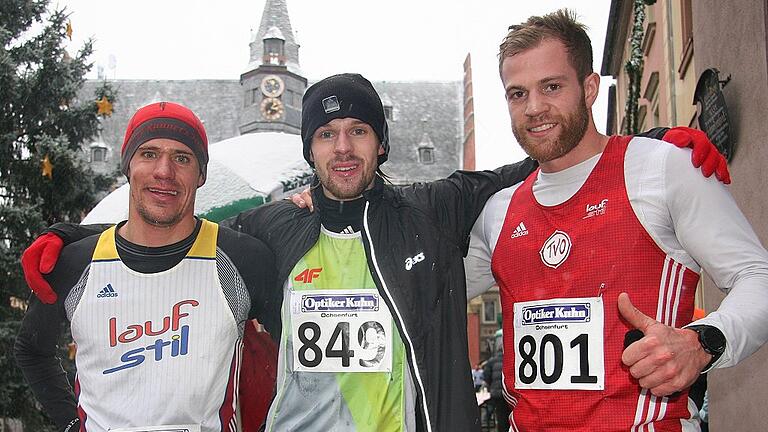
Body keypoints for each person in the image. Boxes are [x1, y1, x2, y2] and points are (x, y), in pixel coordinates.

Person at [21, 74, 726, 431]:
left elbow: (537, 162)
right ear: (310, 150)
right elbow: (170, 233)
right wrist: (71, 244)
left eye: (358, 131)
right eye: (327, 135)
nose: (343, 146)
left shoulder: (431, 210)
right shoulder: (270, 229)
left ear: (380, 143)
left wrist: (650, 142)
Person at [465, 9, 768, 431]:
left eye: (551, 86)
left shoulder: (662, 169)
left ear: (589, 88)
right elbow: (418, 291)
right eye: (518, 93)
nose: (534, 107)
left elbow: (758, 275)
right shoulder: (498, 211)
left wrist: (702, 342)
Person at [14, 102, 279, 432]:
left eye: (182, 158)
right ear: (128, 167)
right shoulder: (73, 263)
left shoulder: (242, 260)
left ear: (201, 175)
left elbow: (294, 356)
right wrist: (72, 422)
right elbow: (31, 350)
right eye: (149, 154)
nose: (164, 171)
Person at [483, 346, 509, 432]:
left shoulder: (491, 361)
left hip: (497, 393)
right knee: (509, 414)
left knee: (500, 415)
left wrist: (491, 386)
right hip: (508, 393)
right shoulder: (509, 360)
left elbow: (486, 376)